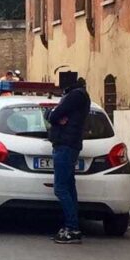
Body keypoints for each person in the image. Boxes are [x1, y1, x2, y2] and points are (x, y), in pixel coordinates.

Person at [46, 77, 91, 244]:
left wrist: (52, 114)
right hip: (69, 144)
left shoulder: (75, 96)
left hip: (65, 145)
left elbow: (54, 115)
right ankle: (72, 226)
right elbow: (58, 116)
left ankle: (72, 227)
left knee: (61, 188)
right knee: (69, 187)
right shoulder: (80, 96)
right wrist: (57, 116)